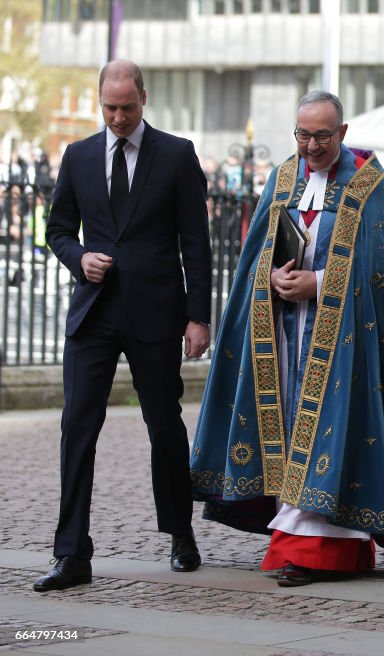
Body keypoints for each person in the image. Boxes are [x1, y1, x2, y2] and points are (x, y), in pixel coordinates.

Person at [190, 90, 384, 586]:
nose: (311, 146)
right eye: (302, 135)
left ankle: (312, 551)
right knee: (287, 430)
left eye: (322, 136)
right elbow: (256, 254)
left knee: (331, 432)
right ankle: (312, 543)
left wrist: (320, 283)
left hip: (343, 343)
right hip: (284, 337)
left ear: (342, 133)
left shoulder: (369, 185)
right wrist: (273, 278)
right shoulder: (284, 177)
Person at [36, 59, 211, 592]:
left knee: (164, 425)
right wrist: (79, 258)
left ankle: (180, 534)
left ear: (144, 99)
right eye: (110, 108)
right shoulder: (78, 155)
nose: (118, 117)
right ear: (100, 101)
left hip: (156, 313)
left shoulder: (177, 154)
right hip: (93, 313)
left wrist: (198, 317)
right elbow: (57, 229)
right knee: (77, 428)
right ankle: (71, 553)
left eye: (127, 107)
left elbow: (195, 242)